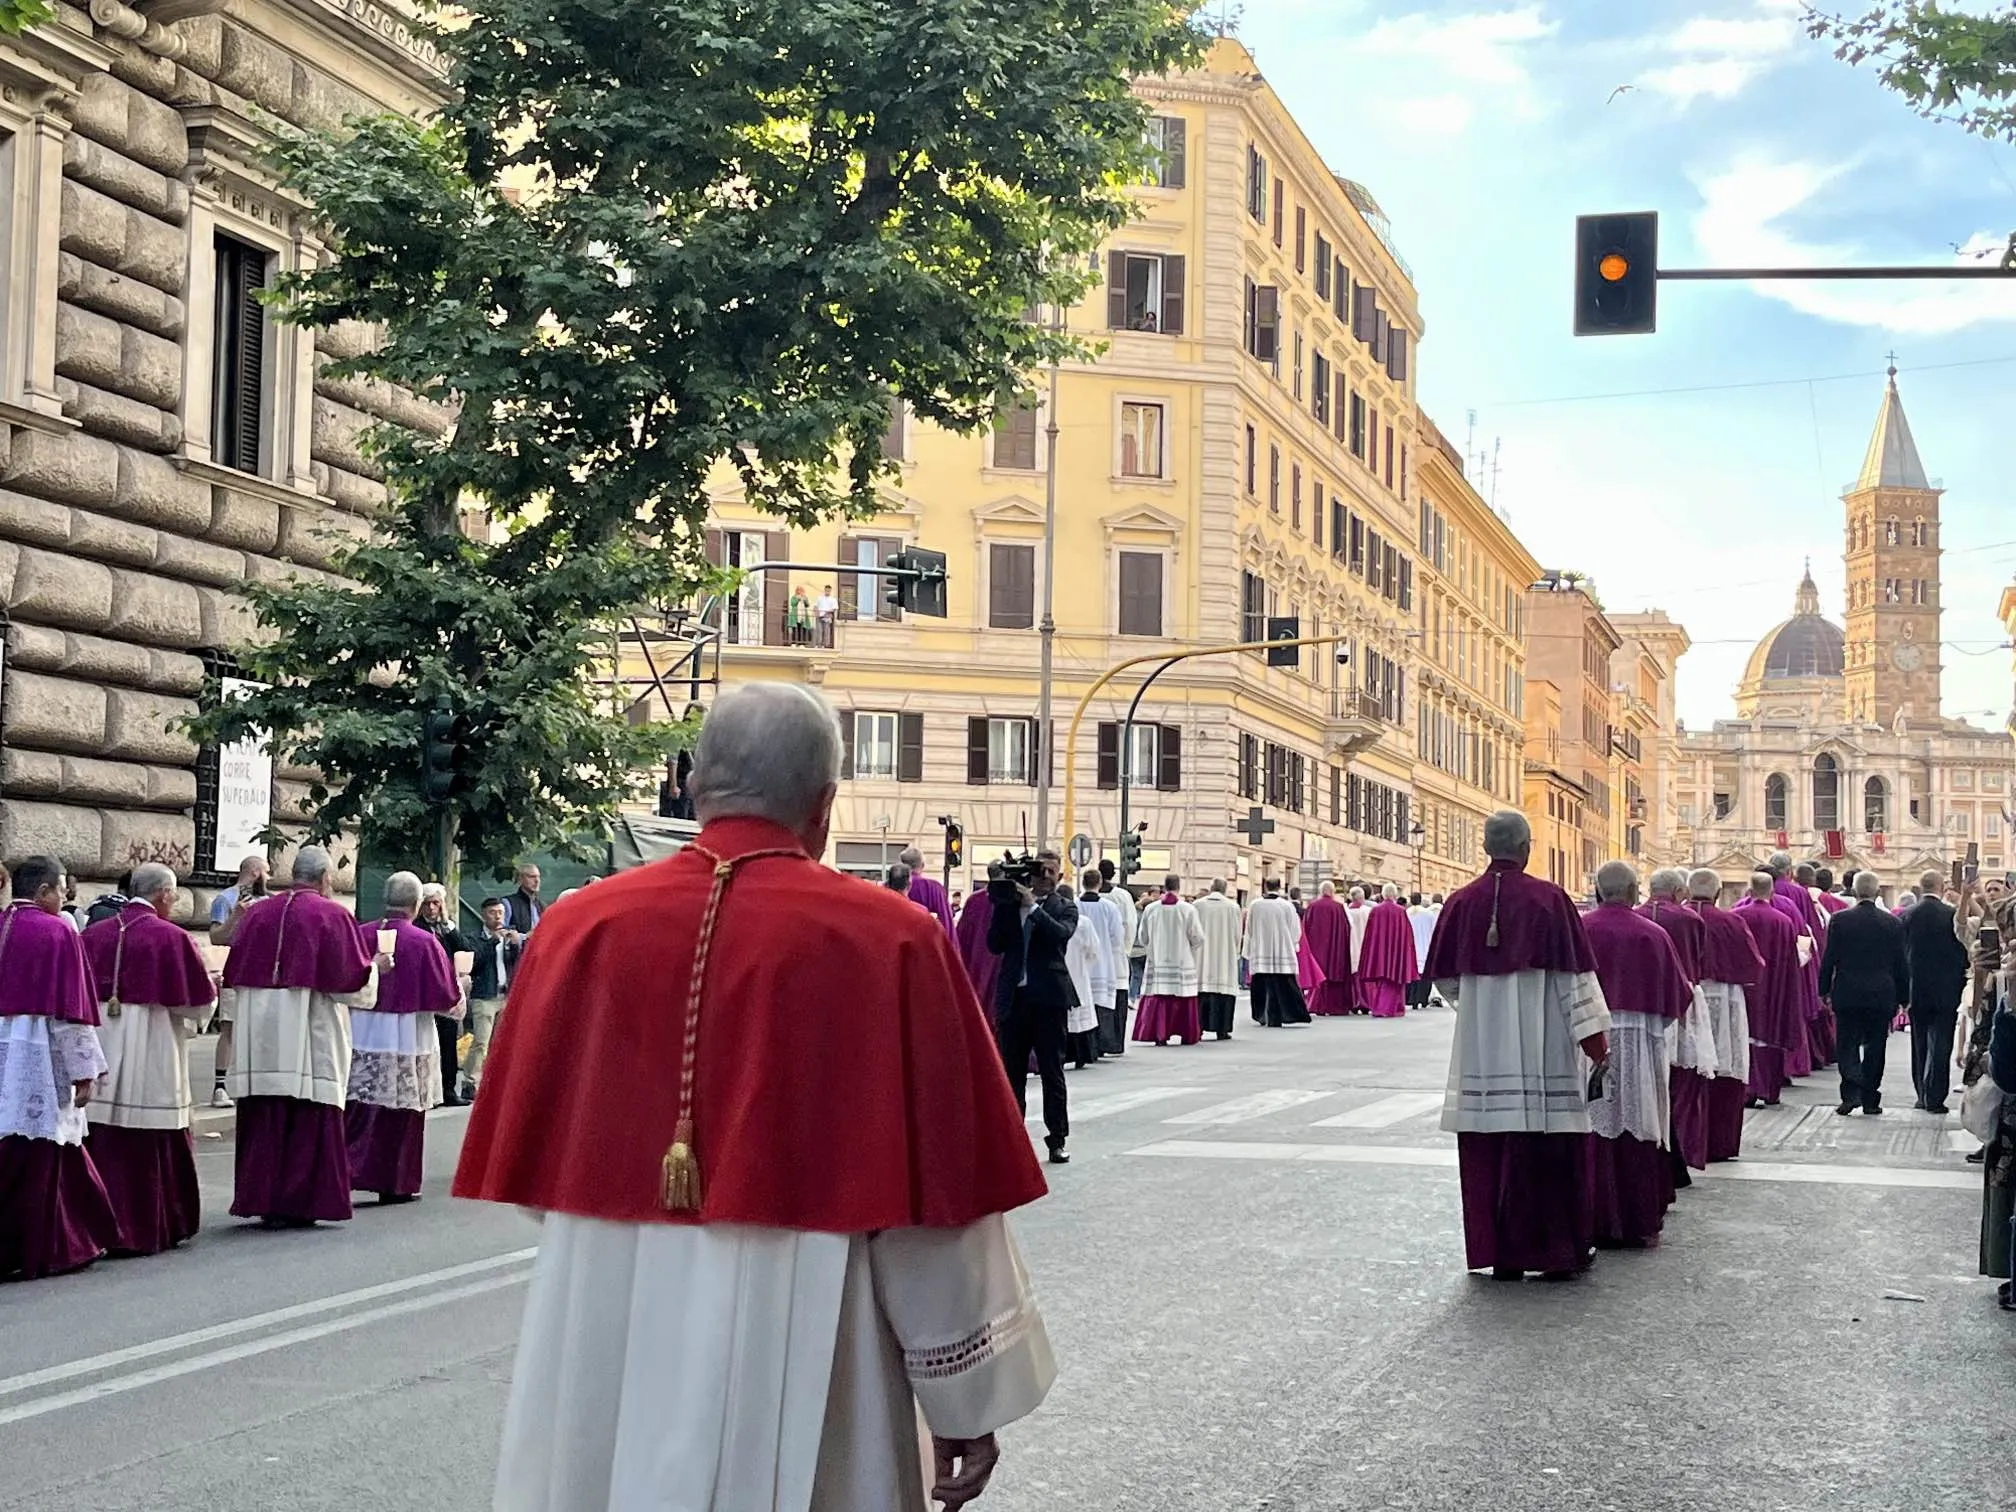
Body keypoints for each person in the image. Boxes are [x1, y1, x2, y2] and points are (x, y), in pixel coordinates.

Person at [453, 682, 1054, 1509]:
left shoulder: (576, 927)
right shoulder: (891, 941)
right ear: (825, 805)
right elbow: (935, 1210)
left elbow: (544, 1174)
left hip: (607, 1316)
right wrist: (963, 1399)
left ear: (696, 787)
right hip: (822, 1331)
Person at [1425, 812, 1611, 1280]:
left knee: (1488, 1151)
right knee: (1547, 1153)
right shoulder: (1551, 900)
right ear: (1526, 847)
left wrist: (1480, 1015)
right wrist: (1596, 1046)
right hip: (1545, 1052)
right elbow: (1575, 983)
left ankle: (1499, 1255)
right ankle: (1552, 1254)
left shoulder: (1461, 902)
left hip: (1483, 1053)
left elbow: (1447, 982)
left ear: (1487, 848)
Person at [223, 846, 380, 1228]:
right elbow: (351, 983)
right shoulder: (332, 914)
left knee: (265, 1117)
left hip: (258, 1034)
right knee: (309, 1116)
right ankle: (303, 1203)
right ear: (325, 877)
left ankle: (263, 1199)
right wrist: (377, 969)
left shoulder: (258, 912)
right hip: (310, 1029)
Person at [81, 863, 216, 1255]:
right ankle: (146, 1227)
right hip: (153, 1045)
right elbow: (198, 1004)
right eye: (173, 897)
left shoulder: (93, 935)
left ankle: (98, 1227)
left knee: (104, 1135)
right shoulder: (172, 937)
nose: (173, 904)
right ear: (163, 895)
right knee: (148, 1139)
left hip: (104, 1040)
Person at [0, 856, 121, 1279]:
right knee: (44, 1149)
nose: (62, 898)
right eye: (60, 890)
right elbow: (73, 1010)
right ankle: (46, 1246)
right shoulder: (57, 932)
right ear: (44, 892)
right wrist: (84, 1070)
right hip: (38, 1053)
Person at [1583, 862, 1690, 1250]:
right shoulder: (1653, 934)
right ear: (1632, 892)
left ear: (1598, 890)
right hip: (1640, 1043)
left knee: (1592, 1121)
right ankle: (1635, 1215)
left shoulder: (1581, 930)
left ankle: (1591, 1214)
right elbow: (1677, 997)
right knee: (1637, 1117)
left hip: (1588, 1038)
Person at [347, 872, 461, 1204]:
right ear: (416, 905)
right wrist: (461, 988)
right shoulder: (424, 941)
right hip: (409, 1035)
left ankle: (349, 1172)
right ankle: (395, 1183)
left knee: (358, 1107)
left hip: (362, 1032)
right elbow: (445, 997)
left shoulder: (361, 934)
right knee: (403, 1114)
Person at [989, 850, 1078, 1165]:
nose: (1046, 877)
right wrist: (1005, 904)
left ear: (1060, 876)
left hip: (1049, 1000)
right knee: (1012, 1075)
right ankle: (1013, 1142)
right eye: (1041, 871)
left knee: (1053, 1072)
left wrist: (1032, 908)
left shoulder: (1064, 907)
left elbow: (1060, 935)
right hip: (1015, 999)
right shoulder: (1011, 906)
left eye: (1052, 871)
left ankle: (1057, 1139)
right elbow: (994, 944)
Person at [1638, 869, 1718, 1179]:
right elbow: (1698, 962)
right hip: (1681, 1006)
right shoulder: (1689, 920)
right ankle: (1679, 1151)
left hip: (1645, 1007)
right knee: (1683, 1081)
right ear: (1676, 890)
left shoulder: (1638, 914)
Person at [1686, 869, 1764, 1161]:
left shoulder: (1676, 918)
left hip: (1687, 998)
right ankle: (1720, 1143)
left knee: (1689, 1067)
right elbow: (1754, 965)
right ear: (1717, 893)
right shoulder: (1732, 921)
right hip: (1725, 998)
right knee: (1725, 1067)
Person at [1818, 870, 1910, 1117]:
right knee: (1875, 1046)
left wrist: (1822, 989)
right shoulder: (1892, 923)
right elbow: (1901, 964)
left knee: (1846, 1044)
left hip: (1847, 991)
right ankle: (1870, 1098)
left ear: (1855, 893)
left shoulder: (1840, 920)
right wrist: (1904, 997)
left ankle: (1851, 1092)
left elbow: (1829, 959)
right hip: (1881, 993)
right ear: (1878, 892)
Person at [206, 853, 271, 1109]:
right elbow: (215, 937)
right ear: (255, 872)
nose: (270, 877)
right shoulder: (225, 899)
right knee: (229, 1028)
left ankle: (259, 1084)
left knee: (262, 1029)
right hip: (237, 970)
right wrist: (236, 916)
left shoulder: (270, 902)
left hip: (264, 972)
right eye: (267, 871)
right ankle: (219, 1086)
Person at [1734, 872, 1803, 1107]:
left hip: (1744, 988)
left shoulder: (1736, 916)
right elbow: (1791, 960)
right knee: (1770, 1036)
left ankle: (1747, 1089)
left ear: (1749, 891)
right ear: (1772, 893)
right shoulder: (1783, 921)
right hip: (1774, 987)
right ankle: (1770, 1090)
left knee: (1745, 1036)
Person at [1903, 867, 1968, 1114]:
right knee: (1941, 1043)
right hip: (1946, 988)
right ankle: (1936, 1096)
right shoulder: (1951, 915)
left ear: (1921, 887)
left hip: (1916, 988)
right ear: (1942, 888)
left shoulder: (1908, 915)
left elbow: (1902, 955)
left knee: (1919, 1043)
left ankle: (1921, 1092)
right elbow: (1962, 953)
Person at [1765, 851, 1823, 1079]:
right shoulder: (1798, 895)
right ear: (1789, 872)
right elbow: (1809, 933)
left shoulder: (1750, 897)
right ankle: (1792, 1064)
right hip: (1790, 963)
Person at [1133, 873, 1205, 1047]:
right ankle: (1185, 1035)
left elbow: (1143, 937)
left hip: (1158, 961)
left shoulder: (1151, 909)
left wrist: (1153, 947)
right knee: (1181, 996)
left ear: (1164, 887)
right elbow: (1197, 937)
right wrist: (1189, 948)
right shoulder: (1188, 909)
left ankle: (1160, 1035)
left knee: (1160, 996)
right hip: (1181, 961)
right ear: (1179, 887)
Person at [461, 898, 523, 1100]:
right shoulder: (475, 938)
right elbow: (475, 961)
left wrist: (515, 945)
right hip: (484, 995)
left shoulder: (508, 937)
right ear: (483, 914)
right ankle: (470, 1081)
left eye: (500, 913)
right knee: (481, 1040)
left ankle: (494, 1081)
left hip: (505, 995)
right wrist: (493, 941)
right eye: (492, 913)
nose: (497, 917)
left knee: (501, 1041)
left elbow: (518, 963)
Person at [414, 883, 469, 1106]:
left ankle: (448, 1089)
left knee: (448, 1043)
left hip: (447, 990)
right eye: (427, 904)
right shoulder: (418, 927)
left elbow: (463, 948)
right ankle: (428, 1090)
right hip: (426, 992)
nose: (431, 908)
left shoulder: (447, 928)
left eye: (436, 903)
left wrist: (449, 926)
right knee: (428, 1044)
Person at [1244, 877, 1310, 1028]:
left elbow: (1249, 929)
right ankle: (1283, 1014)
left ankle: (1262, 1015)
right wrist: (1292, 945)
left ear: (1265, 887)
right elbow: (1295, 930)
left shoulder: (1255, 905)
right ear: (1280, 887)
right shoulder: (1286, 906)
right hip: (1282, 952)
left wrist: (1248, 951)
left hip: (1261, 951)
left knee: (1262, 985)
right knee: (1282, 985)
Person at [1065, 870, 1114, 1068]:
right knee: (1081, 1014)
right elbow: (1097, 948)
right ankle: (1081, 1054)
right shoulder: (1085, 921)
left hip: (1062, 972)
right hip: (1081, 971)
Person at [1358, 884, 1416, 1020]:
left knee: (1382, 980)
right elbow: (1406, 934)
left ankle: (1383, 1007)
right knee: (1394, 980)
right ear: (1395, 895)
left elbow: (1370, 933)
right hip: (1396, 950)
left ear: (1383, 895)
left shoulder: (1376, 910)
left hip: (1380, 950)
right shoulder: (1400, 911)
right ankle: (1389, 1008)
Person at [1099, 859, 1139, 1057]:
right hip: (1116, 957)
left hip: (1096, 963)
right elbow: (1131, 924)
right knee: (1117, 1001)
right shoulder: (1122, 896)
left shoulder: (1086, 897)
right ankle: (1114, 1043)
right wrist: (1126, 950)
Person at [955, 866, 1003, 1024]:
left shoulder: (974, 900)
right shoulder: (1007, 900)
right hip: (997, 963)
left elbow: (961, 936)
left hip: (976, 963)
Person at [1196, 880, 1243, 1040]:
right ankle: (1222, 1029)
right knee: (1223, 991)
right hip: (1225, 954)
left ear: (1211, 889)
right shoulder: (1233, 907)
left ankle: (1199, 1027)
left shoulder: (1198, 905)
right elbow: (1238, 934)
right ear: (1225, 890)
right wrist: (1235, 952)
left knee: (1202, 990)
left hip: (1202, 956)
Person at [1302, 882, 1356, 1017]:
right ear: (1332, 892)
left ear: (1321, 892)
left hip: (1316, 948)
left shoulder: (1312, 906)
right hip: (1334, 949)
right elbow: (1345, 930)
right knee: (1333, 975)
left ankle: (1316, 1004)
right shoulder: (1338, 907)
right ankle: (1334, 1006)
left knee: (1318, 974)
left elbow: (1305, 927)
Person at [901, 846, 956, 937]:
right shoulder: (935, 888)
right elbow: (946, 923)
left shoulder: (891, 886)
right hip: (927, 943)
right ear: (922, 865)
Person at [1406, 893, 1442, 1009]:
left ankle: (1412, 999)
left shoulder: (1406, 913)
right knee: (1424, 973)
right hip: (1426, 944)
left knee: (1413, 972)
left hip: (1411, 946)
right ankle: (1423, 999)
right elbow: (1434, 929)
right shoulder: (1428, 914)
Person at [501, 862, 544, 936]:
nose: (537, 880)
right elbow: (501, 932)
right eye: (532, 877)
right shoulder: (508, 903)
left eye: (538, 877)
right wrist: (524, 937)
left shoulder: (541, 905)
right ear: (520, 879)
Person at [814, 581, 839, 647]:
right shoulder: (820, 598)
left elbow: (834, 608)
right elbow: (815, 606)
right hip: (819, 616)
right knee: (819, 631)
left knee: (826, 631)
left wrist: (827, 612)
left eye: (829, 590)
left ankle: (825, 645)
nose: (827, 591)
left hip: (827, 617)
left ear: (830, 591)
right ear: (824, 590)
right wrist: (816, 612)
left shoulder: (833, 599)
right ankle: (818, 644)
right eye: (826, 590)